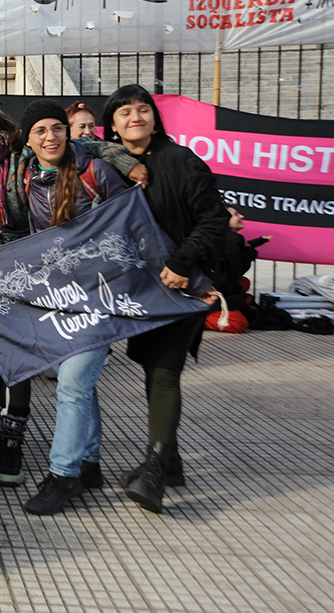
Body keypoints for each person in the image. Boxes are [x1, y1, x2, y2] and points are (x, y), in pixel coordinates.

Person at [0, 85, 142, 487]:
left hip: (20, 274)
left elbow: (85, 149)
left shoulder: (19, 155)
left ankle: (15, 446)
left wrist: (125, 158)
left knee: (15, 358)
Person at [102, 84, 229, 514]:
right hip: (140, 290)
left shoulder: (180, 161)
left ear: (155, 118)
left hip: (181, 282)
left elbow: (213, 220)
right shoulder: (111, 167)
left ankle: (155, 471)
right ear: (113, 125)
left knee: (163, 371)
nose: (135, 117)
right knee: (151, 363)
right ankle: (170, 461)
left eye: (143, 110)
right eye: (124, 113)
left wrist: (182, 261)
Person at [14, 100, 129, 515]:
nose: (51, 137)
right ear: (28, 139)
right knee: (78, 381)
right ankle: (90, 464)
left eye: (57, 128)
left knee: (72, 383)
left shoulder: (95, 171)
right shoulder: (27, 175)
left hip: (100, 295)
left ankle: (63, 474)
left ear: (69, 131)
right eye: (41, 130)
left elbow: (131, 220)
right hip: (61, 300)